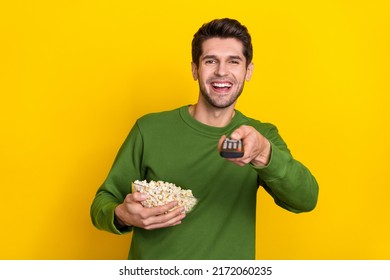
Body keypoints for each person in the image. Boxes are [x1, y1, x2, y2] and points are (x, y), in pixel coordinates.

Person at [90, 18, 319, 260]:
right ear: (194, 69)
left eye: (234, 61)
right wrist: (122, 215)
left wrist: (264, 153)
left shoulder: (262, 136)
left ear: (248, 70)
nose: (222, 71)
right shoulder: (149, 129)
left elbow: (305, 200)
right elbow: (101, 205)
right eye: (211, 61)